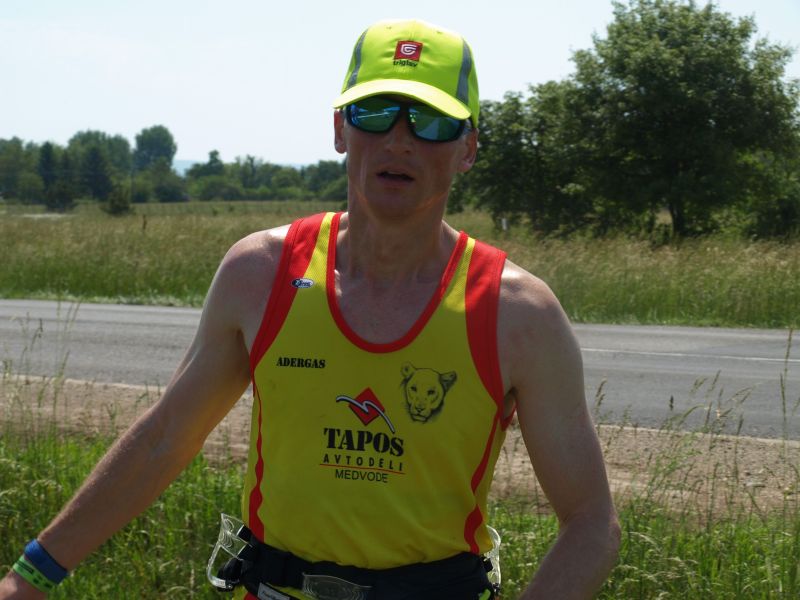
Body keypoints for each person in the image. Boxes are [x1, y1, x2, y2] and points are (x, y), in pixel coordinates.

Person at [0, 18, 620, 600]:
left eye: (431, 122)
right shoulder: (261, 273)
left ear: (468, 149)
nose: (398, 140)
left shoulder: (518, 313)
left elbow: (592, 522)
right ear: (339, 130)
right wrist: (30, 576)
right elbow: (165, 439)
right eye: (374, 112)